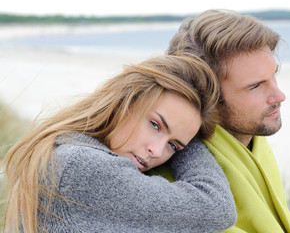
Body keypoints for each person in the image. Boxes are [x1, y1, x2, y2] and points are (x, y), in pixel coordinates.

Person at [1, 54, 237, 233]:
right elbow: (216, 207)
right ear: (125, 101)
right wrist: (188, 136)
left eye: (173, 147)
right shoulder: (84, 168)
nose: (156, 151)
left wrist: (186, 127)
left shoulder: (64, 149)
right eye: (155, 125)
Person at [155, 9, 290, 232]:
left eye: (274, 75)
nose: (280, 96)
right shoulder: (176, 186)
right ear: (207, 97)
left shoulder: (252, 137)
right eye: (255, 86)